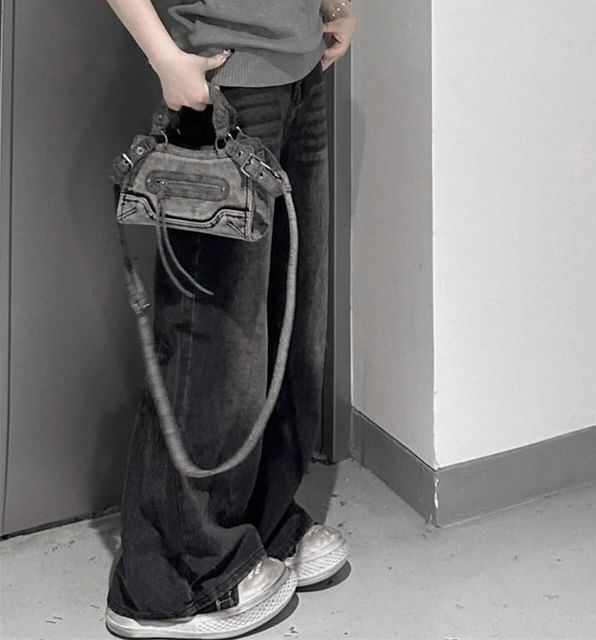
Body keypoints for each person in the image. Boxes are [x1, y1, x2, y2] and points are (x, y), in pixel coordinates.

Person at [102, 1, 358, 638]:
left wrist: (333, 5)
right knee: (212, 340)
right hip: (225, 80)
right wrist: (164, 56)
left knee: (288, 326)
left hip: (302, 73)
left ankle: (261, 526)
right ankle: (170, 582)